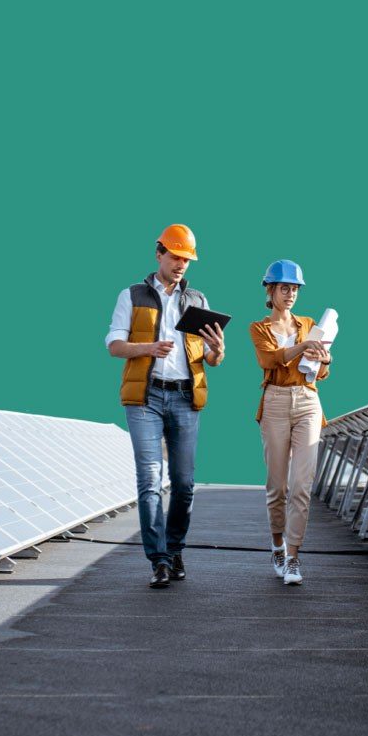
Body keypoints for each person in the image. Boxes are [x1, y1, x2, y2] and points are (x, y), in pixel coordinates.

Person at [105, 224, 226, 589]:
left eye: (186, 259)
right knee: (150, 481)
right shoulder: (132, 295)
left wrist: (218, 350)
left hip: (186, 397)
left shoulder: (198, 301)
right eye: (175, 257)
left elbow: (210, 357)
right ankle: (157, 559)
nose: (181, 265)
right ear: (159, 254)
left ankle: (174, 551)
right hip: (146, 397)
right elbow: (113, 345)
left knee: (185, 484)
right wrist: (148, 348)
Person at [248, 260, 333, 586]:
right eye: (285, 288)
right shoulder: (259, 328)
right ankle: (277, 545)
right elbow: (269, 360)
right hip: (275, 403)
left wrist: (324, 360)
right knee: (278, 486)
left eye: (295, 288)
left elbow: (321, 373)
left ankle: (294, 557)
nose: (290, 294)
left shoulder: (310, 324)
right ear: (270, 290)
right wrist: (303, 346)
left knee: (302, 485)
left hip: (308, 402)